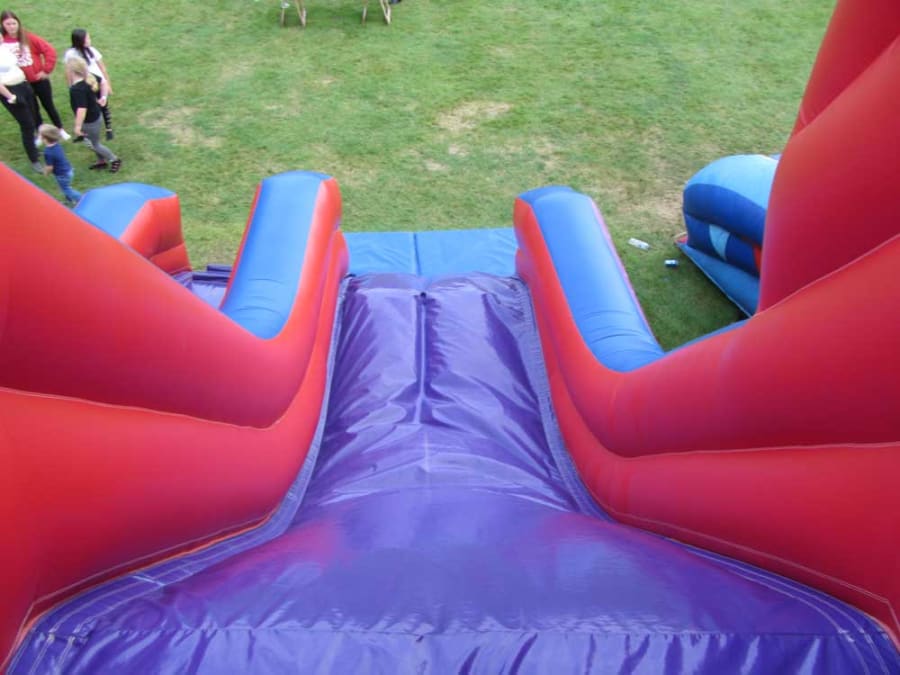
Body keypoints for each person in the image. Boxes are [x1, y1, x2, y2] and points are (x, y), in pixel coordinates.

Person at [0, 10, 71, 141]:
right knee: (33, 110)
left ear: (18, 23)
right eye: (8, 24)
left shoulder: (28, 37)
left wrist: (46, 70)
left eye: (14, 23)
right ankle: (41, 133)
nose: (11, 27)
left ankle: (60, 128)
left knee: (48, 105)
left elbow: (49, 50)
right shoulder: (2, 41)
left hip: (39, 80)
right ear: (3, 25)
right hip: (22, 84)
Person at [66, 56, 120, 173]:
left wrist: (77, 126)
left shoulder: (77, 89)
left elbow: (81, 109)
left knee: (94, 144)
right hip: (95, 116)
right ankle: (101, 161)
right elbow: (103, 82)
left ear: (72, 71)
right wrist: (103, 97)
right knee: (92, 141)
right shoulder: (89, 77)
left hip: (89, 121)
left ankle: (114, 159)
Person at [65, 28, 114, 140]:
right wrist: (70, 85)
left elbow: (102, 68)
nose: (89, 40)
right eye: (87, 38)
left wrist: (108, 85)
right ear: (80, 41)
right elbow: (68, 70)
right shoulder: (71, 54)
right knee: (81, 107)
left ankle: (108, 128)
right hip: (84, 84)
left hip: (96, 81)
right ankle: (82, 132)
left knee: (103, 103)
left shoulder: (92, 51)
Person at [0, 42, 41, 172]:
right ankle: (34, 159)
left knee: (34, 116)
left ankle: (34, 148)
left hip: (23, 85)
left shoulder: (4, 48)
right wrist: (11, 97)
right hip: (10, 90)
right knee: (27, 124)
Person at [38, 123, 81, 206]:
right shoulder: (57, 144)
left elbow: (50, 167)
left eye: (40, 135)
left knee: (66, 189)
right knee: (66, 187)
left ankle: (81, 199)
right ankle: (69, 201)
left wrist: (45, 173)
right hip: (68, 169)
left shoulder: (48, 152)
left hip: (62, 174)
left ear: (45, 139)